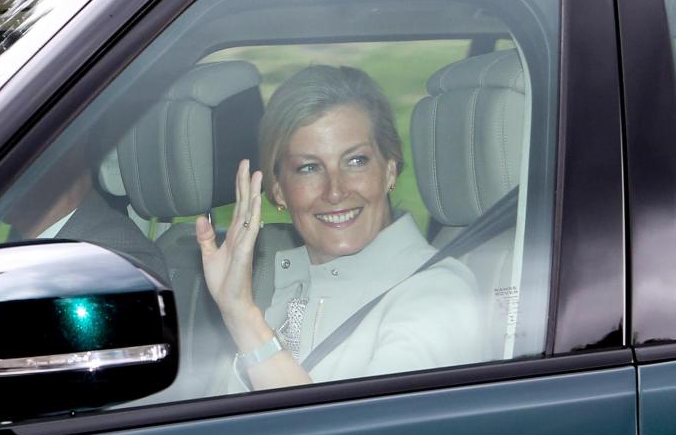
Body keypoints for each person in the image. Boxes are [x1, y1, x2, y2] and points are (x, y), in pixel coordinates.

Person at [195, 64, 485, 391]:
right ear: (278, 190)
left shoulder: (437, 297)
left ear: (390, 170)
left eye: (356, 161)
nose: (335, 191)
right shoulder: (282, 287)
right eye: (308, 168)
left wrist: (242, 316)